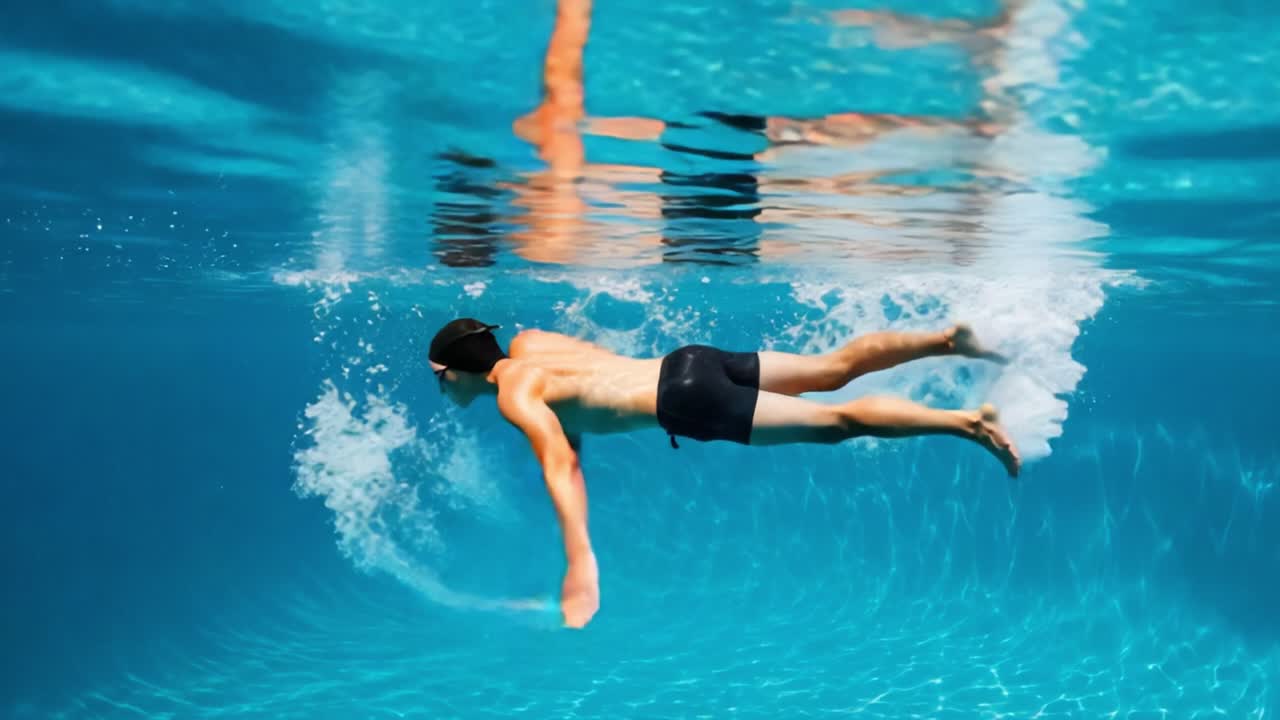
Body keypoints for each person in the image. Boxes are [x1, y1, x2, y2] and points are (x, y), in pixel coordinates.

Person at [427, 318, 1020, 628]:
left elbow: (560, 465)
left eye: (439, 379)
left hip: (684, 402)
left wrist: (581, 564)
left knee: (838, 422)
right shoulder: (532, 345)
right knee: (832, 368)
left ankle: (967, 423)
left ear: (454, 371)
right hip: (690, 361)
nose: (442, 390)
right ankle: (949, 339)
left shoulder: (514, 392)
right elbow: (587, 390)